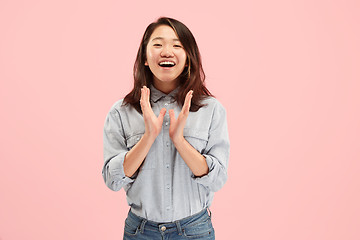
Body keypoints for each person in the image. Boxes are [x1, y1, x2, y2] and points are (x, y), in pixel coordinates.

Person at [102, 17, 230, 240]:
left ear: (188, 59)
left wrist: (179, 140)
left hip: (194, 230)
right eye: (158, 44)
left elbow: (217, 179)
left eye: (177, 45)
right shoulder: (121, 112)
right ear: (144, 57)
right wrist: (148, 136)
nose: (167, 51)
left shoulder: (211, 110)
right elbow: (112, 180)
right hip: (140, 232)